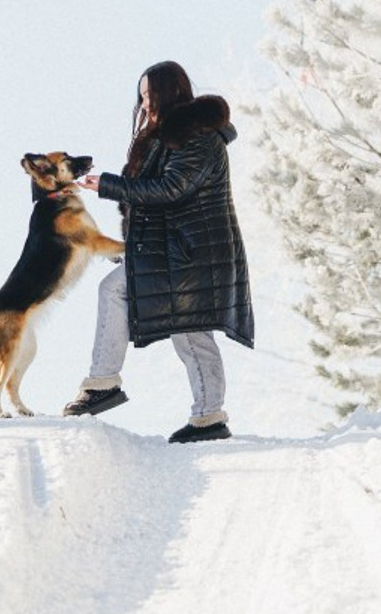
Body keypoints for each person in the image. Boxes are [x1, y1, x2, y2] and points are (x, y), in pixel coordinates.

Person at [63, 61, 254, 443]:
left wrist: (108, 186)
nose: (146, 103)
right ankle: (205, 416)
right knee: (183, 327)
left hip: (193, 252)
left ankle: (108, 385)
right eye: (142, 96)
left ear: (170, 92)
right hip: (177, 249)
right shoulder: (168, 137)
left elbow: (171, 189)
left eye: (150, 94)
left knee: (168, 320)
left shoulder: (197, 136)